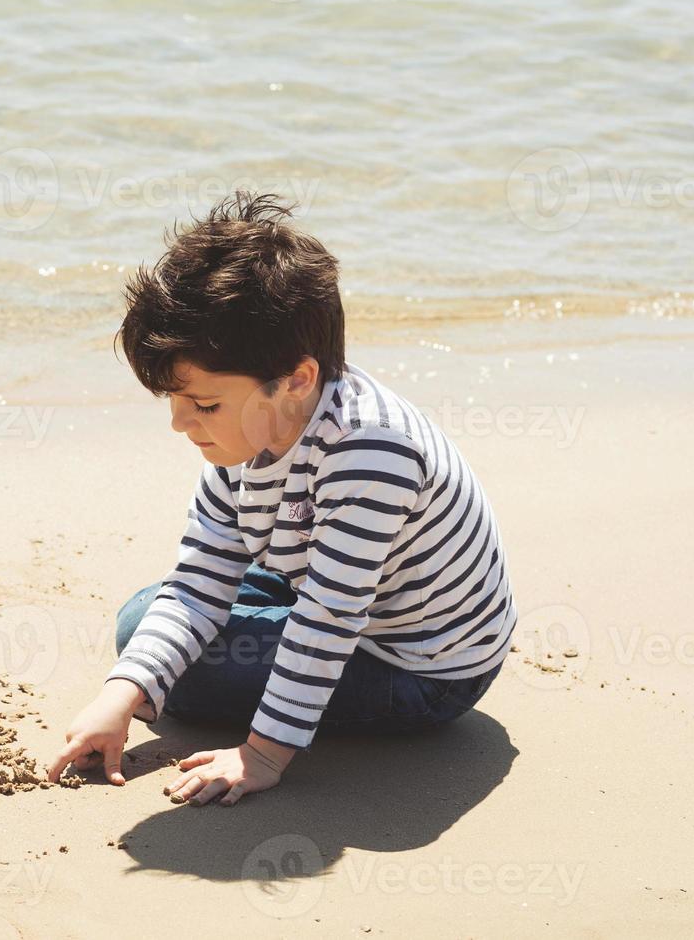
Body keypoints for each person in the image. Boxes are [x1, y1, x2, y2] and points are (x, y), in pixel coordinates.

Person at [44, 191, 516, 806]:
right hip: (325, 588)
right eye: (174, 402)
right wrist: (116, 700)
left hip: (421, 663)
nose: (181, 424)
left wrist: (262, 752)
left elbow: (328, 617)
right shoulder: (249, 434)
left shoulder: (369, 450)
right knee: (142, 622)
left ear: (297, 380)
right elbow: (200, 578)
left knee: (188, 675)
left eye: (204, 405)